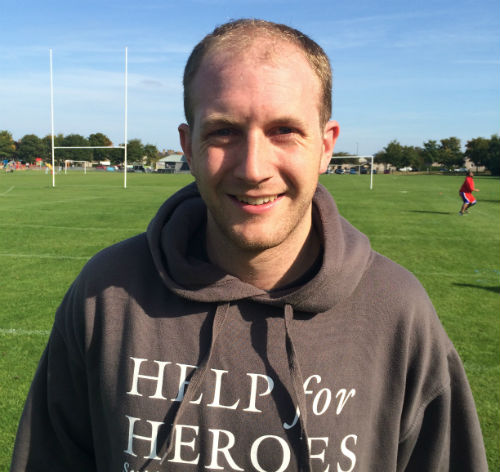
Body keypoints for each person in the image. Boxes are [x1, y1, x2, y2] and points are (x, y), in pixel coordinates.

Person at [11, 19, 487, 472]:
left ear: (325, 145)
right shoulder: (107, 294)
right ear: (189, 145)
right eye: (223, 132)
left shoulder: (397, 310)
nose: (253, 168)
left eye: (284, 130)